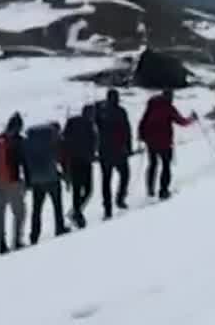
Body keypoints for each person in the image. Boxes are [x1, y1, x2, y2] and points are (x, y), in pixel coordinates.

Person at [137, 87, 195, 199]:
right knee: (165, 165)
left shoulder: (152, 105)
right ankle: (163, 191)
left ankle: (150, 189)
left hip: (151, 141)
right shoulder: (168, 107)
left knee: (153, 164)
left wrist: (141, 135)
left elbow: (143, 120)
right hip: (164, 142)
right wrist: (191, 119)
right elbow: (181, 121)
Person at [22, 117, 69, 242]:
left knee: (37, 208)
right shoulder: (52, 139)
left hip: (36, 178)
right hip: (51, 177)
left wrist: (28, 180)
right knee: (57, 205)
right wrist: (64, 174)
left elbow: (25, 161)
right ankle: (60, 227)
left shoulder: (30, 141)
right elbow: (59, 156)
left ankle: (34, 235)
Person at [0, 113, 28, 253]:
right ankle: (17, 239)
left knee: (0, 213)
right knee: (19, 212)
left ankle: (2, 242)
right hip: (13, 181)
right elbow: (23, 162)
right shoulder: (18, 141)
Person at [94, 88, 132, 219]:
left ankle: (108, 209)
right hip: (119, 150)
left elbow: (95, 129)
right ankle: (120, 198)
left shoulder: (100, 112)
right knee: (125, 175)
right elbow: (127, 130)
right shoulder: (120, 112)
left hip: (104, 151)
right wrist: (129, 147)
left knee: (106, 181)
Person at [61, 103, 97, 229]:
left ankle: (76, 212)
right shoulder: (88, 125)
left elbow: (64, 140)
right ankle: (76, 213)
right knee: (88, 189)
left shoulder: (72, 123)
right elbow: (93, 142)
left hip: (74, 160)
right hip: (84, 160)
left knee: (77, 190)